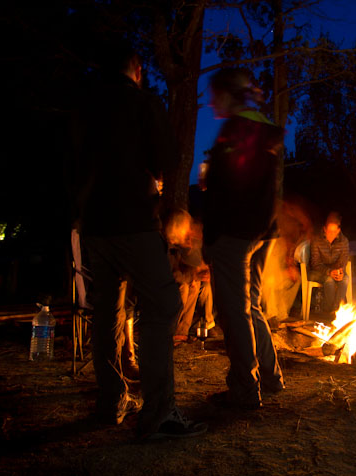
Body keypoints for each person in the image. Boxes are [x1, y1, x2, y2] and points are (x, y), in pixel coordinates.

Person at [75, 44, 206, 439]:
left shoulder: (84, 105)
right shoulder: (140, 102)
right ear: (136, 69)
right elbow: (166, 155)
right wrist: (155, 180)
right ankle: (159, 413)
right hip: (132, 217)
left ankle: (111, 400)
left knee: (109, 309)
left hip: (93, 223)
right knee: (164, 303)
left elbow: (70, 162)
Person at [201, 67, 285, 409]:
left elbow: (225, 193)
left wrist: (213, 237)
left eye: (214, 95)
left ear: (228, 95)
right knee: (248, 306)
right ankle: (270, 375)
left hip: (236, 233)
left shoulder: (236, 131)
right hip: (262, 232)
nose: (209, 102)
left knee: (233, 311)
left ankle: (245, 389)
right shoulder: (261, 128)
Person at [164, 209, 216, 345]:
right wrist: (193, 276)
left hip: (180, 277)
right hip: (166, 282)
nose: (189, 232)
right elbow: (172, 272)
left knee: (197, 286)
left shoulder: (184, 243)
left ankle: (184, 330)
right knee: (185, 288)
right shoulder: (168, 245)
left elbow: (194, 263)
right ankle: (173, 329)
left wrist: (199, 274)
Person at [309, 212, 350, 314]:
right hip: (318, 271)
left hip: (335, 269)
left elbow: (343, 260)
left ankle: (335, 310)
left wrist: (339, 271)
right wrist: (329, 272)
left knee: (345, 279)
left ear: (338, 231)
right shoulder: (316, 241)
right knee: (329, 281)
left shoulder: (343, 241)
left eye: (334, 232)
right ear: (324, 229)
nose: (331, 234)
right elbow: (315, 263)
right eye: (329, 231)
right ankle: (332, 309)